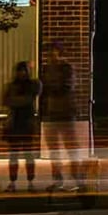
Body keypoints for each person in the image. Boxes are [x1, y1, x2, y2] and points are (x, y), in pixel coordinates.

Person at [40, 42, 81, 190]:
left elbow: (66, 87)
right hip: (51, 113)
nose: (50, 54)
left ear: (59, 52)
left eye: (53, 51)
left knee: (71, 147)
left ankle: (77, 178)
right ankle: (58, 179)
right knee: (53, 149)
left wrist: (49, 88)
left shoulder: (66, 68)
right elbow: (43, 90)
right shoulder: (45, 69)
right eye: (48, 51)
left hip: (65, 112)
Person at [1, 61, 41, 192]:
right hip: (15, 122)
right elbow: (6, 100)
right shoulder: (12, 86)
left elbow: (29, 98)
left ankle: (31, 182)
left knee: (28, 154)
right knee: (14, 154)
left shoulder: (32, 85)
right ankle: (12, 182)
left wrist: (16, 100)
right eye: (19, 70)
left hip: (26, 122)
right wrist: (20, 100)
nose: (22, 73)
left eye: (24, 70)